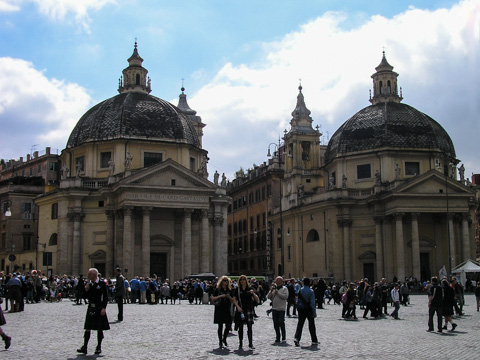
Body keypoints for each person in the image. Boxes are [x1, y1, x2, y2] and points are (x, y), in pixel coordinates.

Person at [77, 268, 110, 355]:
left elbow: (105, 297)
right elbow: (84, 296)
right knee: (88, 328)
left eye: (89, 274)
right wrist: (86, 289)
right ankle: (85, 346)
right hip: (91, 307)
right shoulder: (89, 284)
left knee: (99, 328)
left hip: (99, 308)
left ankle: (98, 347)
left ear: (95, 275)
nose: (88, 276)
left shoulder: (102, 284)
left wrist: (104, 308)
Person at [233, 274, 259, 350]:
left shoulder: (250, 288)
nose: (242, 281)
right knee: (240, 327)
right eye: (241, 280)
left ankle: (250, 343)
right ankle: (240, 343)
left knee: (249, 327)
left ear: (246, 281)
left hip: (248, 309)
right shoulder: (237, 289)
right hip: (241, 310)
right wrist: (237, 307)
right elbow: (234, 299)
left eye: (243, 279)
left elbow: (256, 298)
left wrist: (253, 293)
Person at [294, 277, 318, 347]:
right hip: (309, 309)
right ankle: (314, 340)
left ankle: (297, 338)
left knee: (300, 324)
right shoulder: (311, 291)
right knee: (311, 325)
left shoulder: (300, 290)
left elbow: (298, 300)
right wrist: (314, 311)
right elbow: (312, 302)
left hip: (301, 309)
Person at [210, 276, 233, 349]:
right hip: (219, 308)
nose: (226, 282)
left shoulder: (229, 290)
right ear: (221, 281)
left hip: (227, 308)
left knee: (228, 325)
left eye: (227, 281)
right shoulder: (217, 289)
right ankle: (220, 341)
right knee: (220, 326)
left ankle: (224, 338)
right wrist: (221, 296)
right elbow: (213, 298)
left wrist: (229, 297)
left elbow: (233, 299)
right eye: (224, 281)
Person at [267, 276, 288, 344]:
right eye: (276, 282)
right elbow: (268, 297)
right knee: (275, 324)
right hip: (274, 309)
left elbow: (285, 297)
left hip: (281, 309)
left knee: (281, 322)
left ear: (282, 282)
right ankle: (278, 337)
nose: (277, 283)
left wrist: (278, 293)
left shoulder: (284, 289)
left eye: (279, 282)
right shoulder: (273, 289)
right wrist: (271, 291)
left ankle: (284, 337)